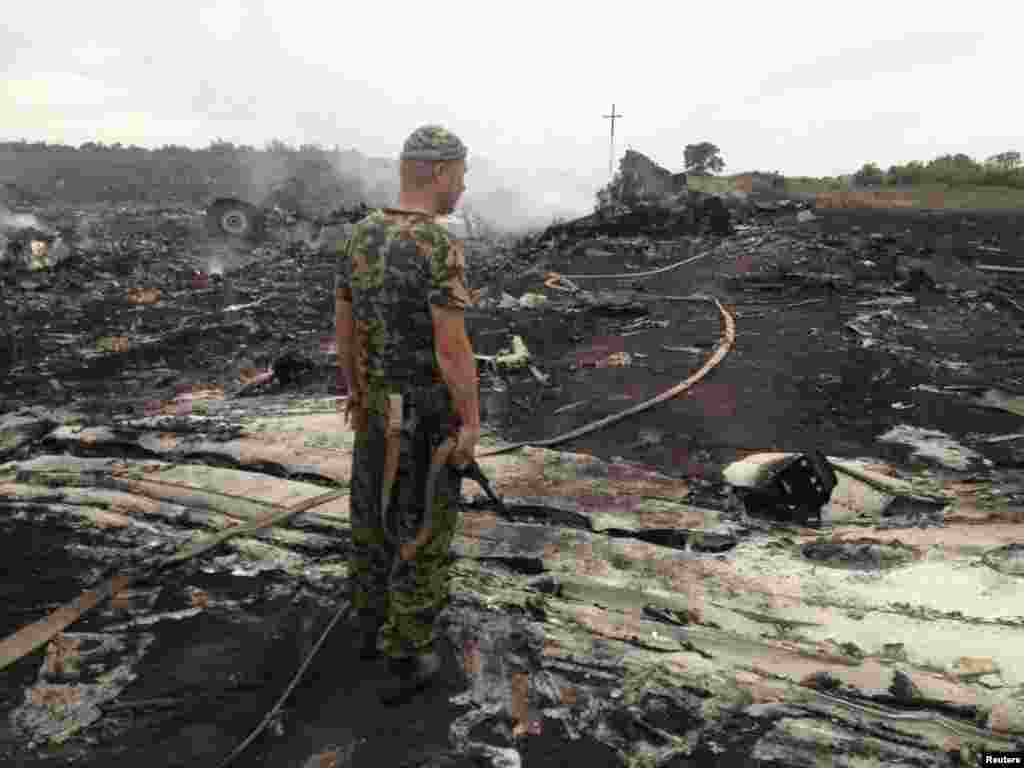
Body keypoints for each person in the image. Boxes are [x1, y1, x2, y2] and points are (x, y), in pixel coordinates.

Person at [334, 125, 480, 705]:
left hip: (372, 409)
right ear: (441, 173)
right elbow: (451, 347)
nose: (463, 188)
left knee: (369, 517)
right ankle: (407, 653)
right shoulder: (438, 244)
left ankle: (367, 629)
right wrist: (469, 420)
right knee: (421, 528)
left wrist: (355, 390)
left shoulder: (360, 235)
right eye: (462, 175)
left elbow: (343, 329)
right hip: (423, 419)